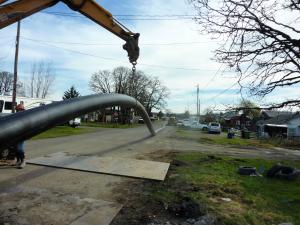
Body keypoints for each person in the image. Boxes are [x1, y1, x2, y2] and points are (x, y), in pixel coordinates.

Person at [15, 101, 26, 169]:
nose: (19, 111)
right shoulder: (15, 117)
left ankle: (23, 161)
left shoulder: (24, 117)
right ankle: (18, 161)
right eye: (18, 109)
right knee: (15, 149)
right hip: (14, 135)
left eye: (21, 109)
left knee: (20, 149)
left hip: (21, 135)